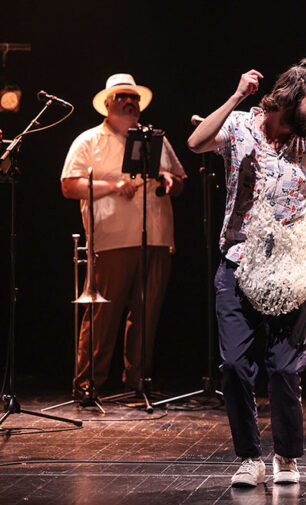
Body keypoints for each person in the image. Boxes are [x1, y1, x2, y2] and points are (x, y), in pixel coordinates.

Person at [187, 59, 306, 488]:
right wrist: (236, 96)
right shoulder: (241, 126)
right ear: (292, 98)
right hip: (238, 262)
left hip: (289, 268)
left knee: (283, 369)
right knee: (234, 365)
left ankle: (286, 457)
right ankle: (249, 458)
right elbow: (196, 142)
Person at [61, 74, 185, 402]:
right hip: (112, 238)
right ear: (107, 104)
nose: (130, 102)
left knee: (147, 314)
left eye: (134, 98)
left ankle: (138, 381)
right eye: (122, 97)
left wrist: (169, 180)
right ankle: (87, 383)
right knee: (103, 315)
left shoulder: (155, 139)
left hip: (156, 235)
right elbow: (69, 185)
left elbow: (179, 180)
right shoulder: (89, 140)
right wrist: (113, 186)